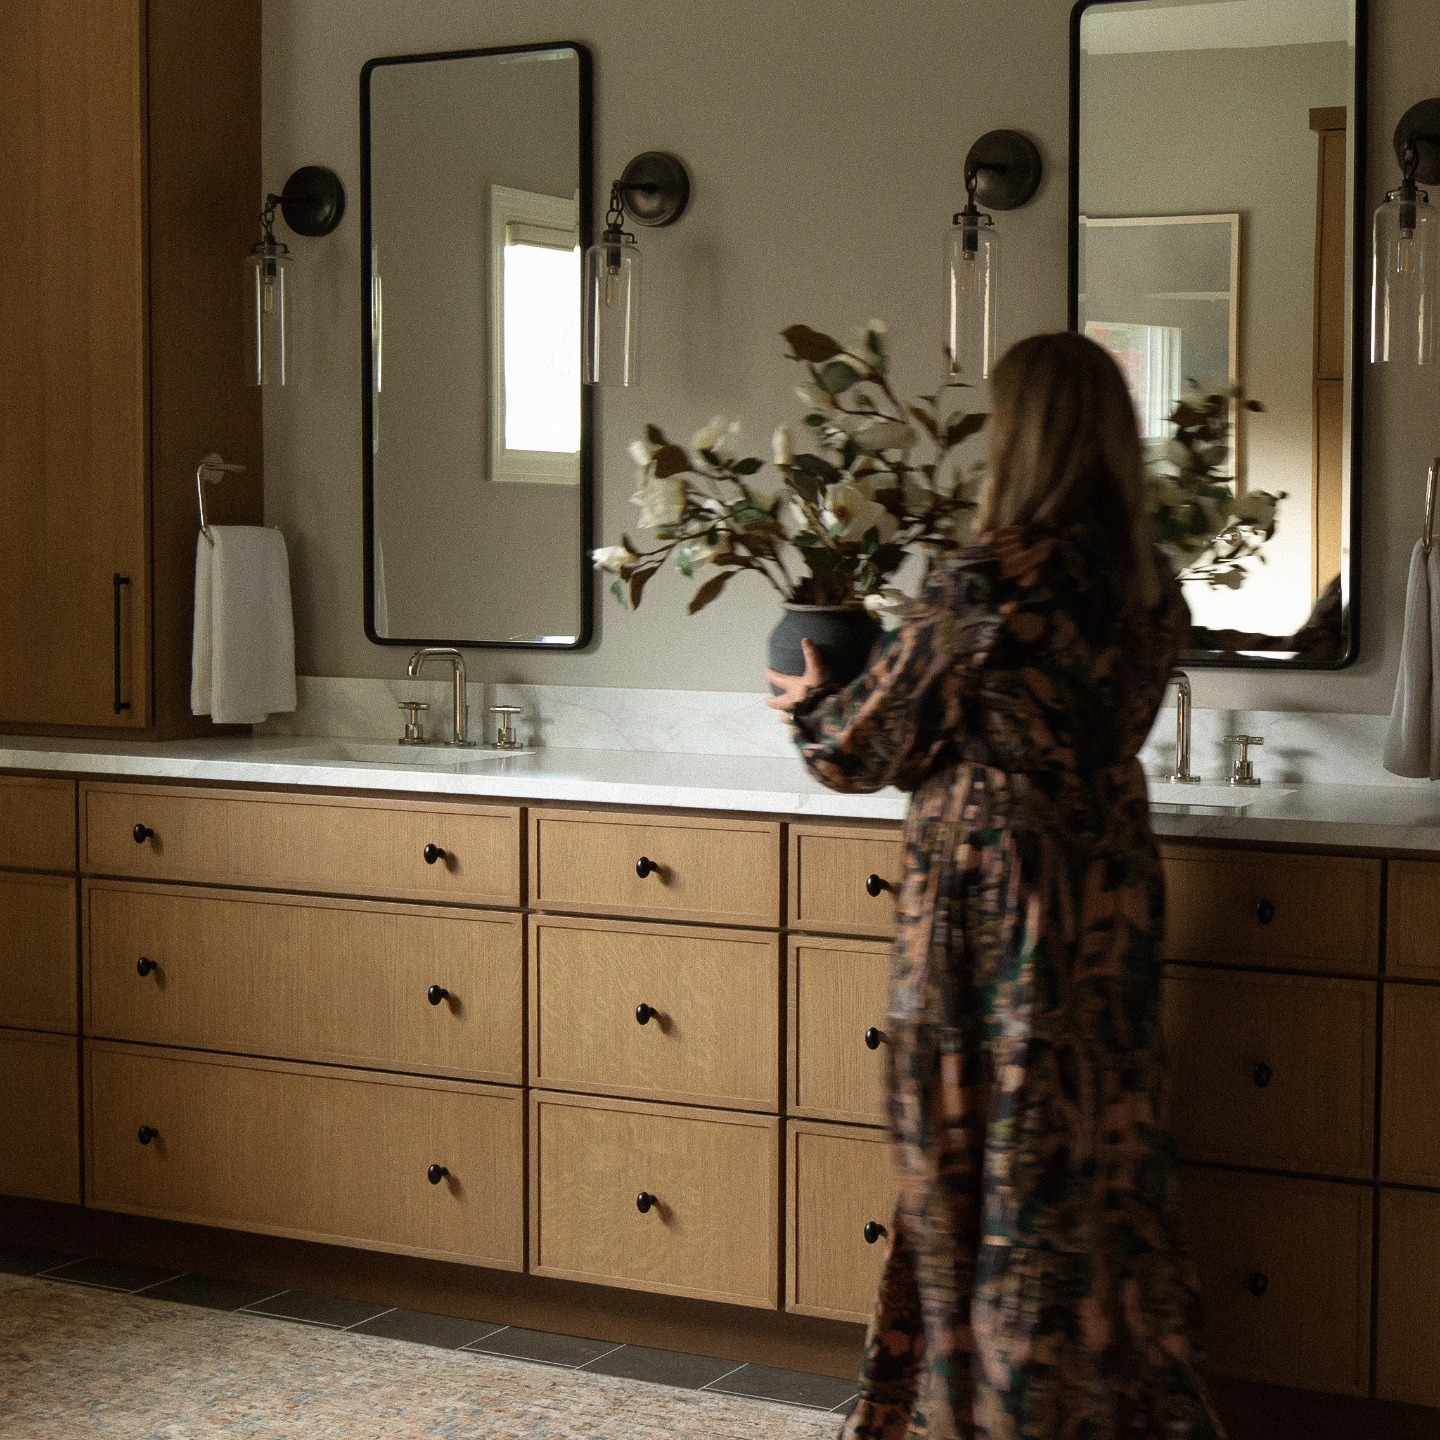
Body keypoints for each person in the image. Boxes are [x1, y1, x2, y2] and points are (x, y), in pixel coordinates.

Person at [767, 332, 1224, 1440]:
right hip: (1107, 879)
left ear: (1017, 439)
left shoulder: (982, 583)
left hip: (994, 899)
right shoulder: (1149, 590)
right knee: (1095, 1151)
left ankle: (989, 1412)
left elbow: (861, 749)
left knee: (981, 1152)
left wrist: (807, 701)